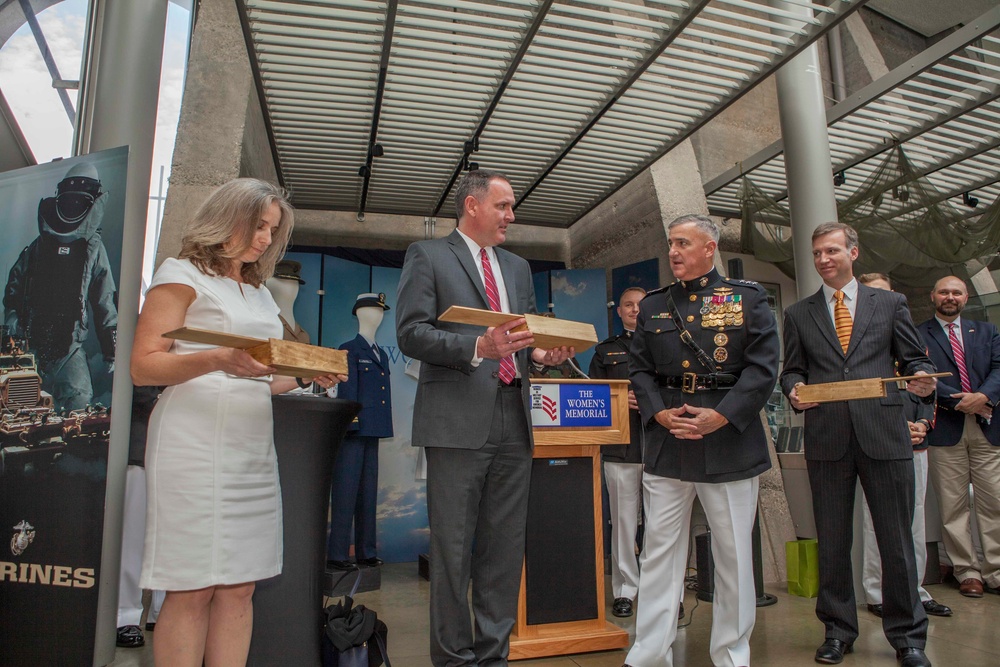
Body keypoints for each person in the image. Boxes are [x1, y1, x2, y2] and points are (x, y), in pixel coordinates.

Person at [130, 178, 344, 666]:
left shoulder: (258, 292)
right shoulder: (180, 273)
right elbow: (143, 365)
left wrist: (309, 378)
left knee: (240, 587)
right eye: (260, 225)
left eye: (273, 229)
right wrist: (217, 359)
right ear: (226, 217)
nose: (267, 238)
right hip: (192, 442)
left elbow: (257, 380)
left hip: (250, 446)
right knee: (191, 589)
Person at [395, 168, 572, 667]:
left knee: (503, 552)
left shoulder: (517, 268)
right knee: (452, 553)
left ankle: (493, 656)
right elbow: (410, 333)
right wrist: (477, 346)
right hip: (455, 422)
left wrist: (543, 356)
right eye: (504, 206)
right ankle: (454, 659)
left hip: (515, 418)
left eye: (512, 207)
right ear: (472, 205)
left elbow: (526, 338)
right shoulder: (427, 255)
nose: (511, 216)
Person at [623, 214, 779, 667]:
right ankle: (649, 652)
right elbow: (639, 369)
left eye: (683, 243)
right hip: (670, 440)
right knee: (658, 553)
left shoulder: (746, 298)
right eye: (671, 243)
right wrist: (656, 411)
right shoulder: (653, 305)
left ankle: (731, 654)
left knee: (732, 557)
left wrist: (722, 416)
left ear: (709, 248)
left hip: (727, 442)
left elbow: (762, 368)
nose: (673, 251)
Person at [780, 222, 936, 667]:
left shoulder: (890, 304)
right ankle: (837, 631)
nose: (823, 259)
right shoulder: (799, 313)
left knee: (897, 542)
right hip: (828, 438)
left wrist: (923, 381)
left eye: (832, 251)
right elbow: (793, 370)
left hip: (885, 435)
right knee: (831, 541)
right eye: (816, 253)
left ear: (853, 253)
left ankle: (908, 638)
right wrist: (793, 389)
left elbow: (915, 359)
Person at [855, 273, 951, 619]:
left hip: (915, 444)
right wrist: (896, 427)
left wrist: (923, 425)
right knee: (875, 520)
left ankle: (916, 591)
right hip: (879, 442)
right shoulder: (860, 340)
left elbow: (927, 390)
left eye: (886, 294)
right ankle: (877, 592)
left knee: (915, 521)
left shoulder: (909, 338)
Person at [4, 162, 117, 411]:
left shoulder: (90, 249)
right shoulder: (41, 246)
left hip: (66, 345)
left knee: (78, 402)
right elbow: (105, 302)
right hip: (32, 341)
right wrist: (12, 327)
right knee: (20, 404)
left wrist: (112, 351)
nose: (73, 207)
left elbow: (104, 301)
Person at [916, 275, 1000, 598]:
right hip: (945, 427)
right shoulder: (918, 333)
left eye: (956, 292)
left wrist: (982, 397)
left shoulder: (988, 331)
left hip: (987, 424)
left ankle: (995, 570)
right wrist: (961, 400)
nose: (950, 297)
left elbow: (999, 369)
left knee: (994, 501)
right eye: (944, 292)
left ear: (965, 298)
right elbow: (922, 376)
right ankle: (967, 572)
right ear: (933, 296)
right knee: (953, 506)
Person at [589, 287, 646, 619]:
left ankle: (664, 590)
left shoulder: (669, 345)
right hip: (620, 450)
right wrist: (618, 400)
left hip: (662, 448)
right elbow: (592, 396)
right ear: (619, 311)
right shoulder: (605, 352)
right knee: (623, 523)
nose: (635, 310)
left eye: (641, 305)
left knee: (661, 527)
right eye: (629, 305)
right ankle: (625, 590)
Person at [327, 292, 393, 570]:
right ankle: (338, 554)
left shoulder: (381, 355)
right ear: (359, 314)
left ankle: (366, 551)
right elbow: (347, 392)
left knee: (368, 494)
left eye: (380, 312)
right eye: (371, 311)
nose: (377, 317)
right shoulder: (349, 349)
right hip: (354, 432)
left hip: (373, 430)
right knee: (345, 493)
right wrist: (351, 424)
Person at [116, 385, 166, 649]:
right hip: (141, 438)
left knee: (172, 535)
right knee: (133, 536)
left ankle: (162, 610)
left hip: (184, 444)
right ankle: (125, 614)